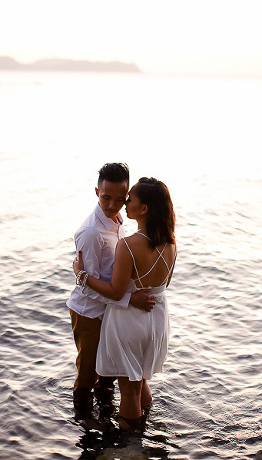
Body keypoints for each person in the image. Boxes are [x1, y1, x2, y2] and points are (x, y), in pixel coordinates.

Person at [73, 177, 176, 432]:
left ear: (144, 209)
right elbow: (165, 284)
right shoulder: (171, 242)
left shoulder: (128, 245)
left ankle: (130, 445)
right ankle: (147, 427)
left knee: (128, 389)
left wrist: (82, 276)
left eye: (130, 200)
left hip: (130, 321)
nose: (124, 204)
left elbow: (116, 291)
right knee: (140, 380)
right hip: (157, 318)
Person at [67, 163, 156, 418]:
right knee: (87, 373)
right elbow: (87, 286)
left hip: (111, 311)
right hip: (89, 313)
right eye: (106, 198)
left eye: (120, 199)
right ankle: (84, 425)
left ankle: (106, 421)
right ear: (97, 192)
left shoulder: (118, 220)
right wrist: (130, 300)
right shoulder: (91, 233)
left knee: (108, 371)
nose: (112, 205)